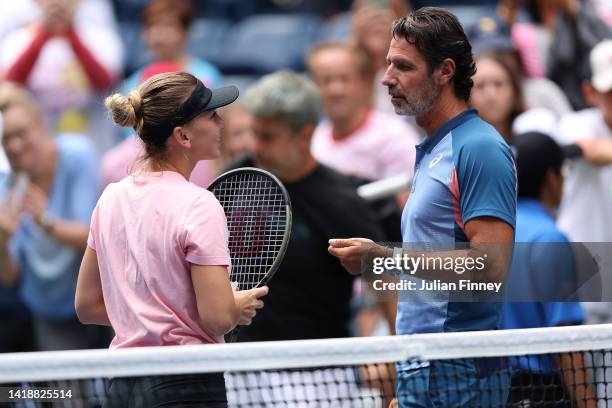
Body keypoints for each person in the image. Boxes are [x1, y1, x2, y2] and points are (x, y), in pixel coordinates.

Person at [328, 7, 517, 406]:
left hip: (459, 371)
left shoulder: (479, 148)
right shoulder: (435, 148)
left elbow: (491, 265)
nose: (386, 78)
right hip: (425, 368)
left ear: (445, 71)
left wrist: (384, 258)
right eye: (387, 64)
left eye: (402, 66)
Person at [75, 72, 268, 407]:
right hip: (187, 384)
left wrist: (147, 317)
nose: (221, 122)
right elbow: (218, 318)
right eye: (211, 116)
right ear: (183, 135)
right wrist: (235, 306)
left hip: (121, 387)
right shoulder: (200, 204)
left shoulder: (110, 198)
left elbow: (87, 305)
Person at [223, 70, 393, 405]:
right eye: (254, 133)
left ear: (305, 135)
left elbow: (384, 274)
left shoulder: (341, 199)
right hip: (239, 367)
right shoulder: (239, 176)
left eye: (268, 137)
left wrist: (397, 353)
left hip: (317, 375)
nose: (255, 146)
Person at [0, 82, 103, 351]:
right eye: (5, 138)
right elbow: (11, 277)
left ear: (41, 125)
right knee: (67, 395)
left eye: (21, 133)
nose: (14, 146)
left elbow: (94, 236)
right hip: (48, 312)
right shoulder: (4, 187)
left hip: (99, 300)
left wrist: (45, 221)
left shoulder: (77, 154)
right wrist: (1, 241)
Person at [502, 132, 594, 406]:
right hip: (543, 392)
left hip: (497, 392)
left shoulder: (488, 234)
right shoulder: (550, 239)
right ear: (552, 178)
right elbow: (565, 336)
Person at [0, 0, 124, 154]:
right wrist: (44, 33)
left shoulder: (100, 36)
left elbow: (105, 82)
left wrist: (70, 33)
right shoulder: (17, 40)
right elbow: (11, 86)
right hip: (38, 151)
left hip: (94, 145)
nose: (57, 3)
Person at [308, 42, 419, 185]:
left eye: (345, 79)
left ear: (365, 83)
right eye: (325, 80)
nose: (335, 90)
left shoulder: (395, 137)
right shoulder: (313, 140)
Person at [470, 52, 526, 142]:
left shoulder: (531, 133)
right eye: (480, 86)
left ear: (514, 90)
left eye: (498, 84)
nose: (491, 95)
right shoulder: (456, 145)